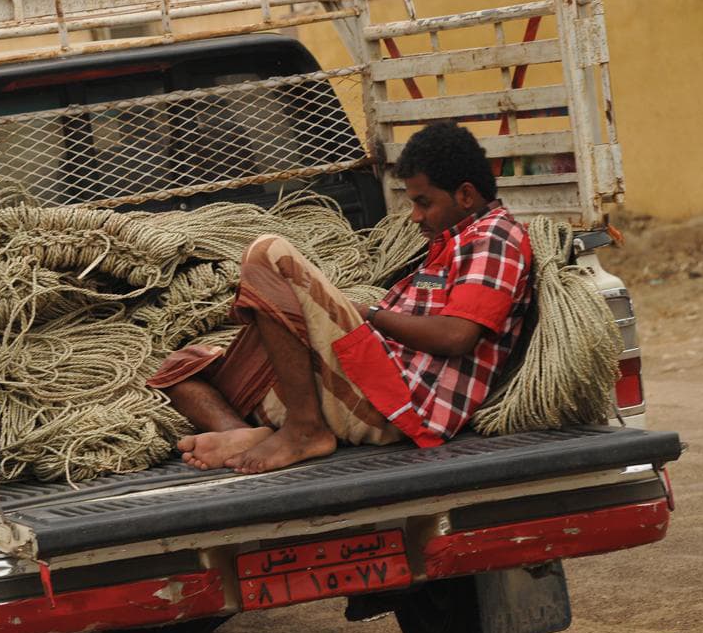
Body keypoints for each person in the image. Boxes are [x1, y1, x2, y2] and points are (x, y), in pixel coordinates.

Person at [147, 121, 533, 474]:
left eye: (424, 202)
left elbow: (456, 336)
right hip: (367, 380)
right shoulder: (451, 243)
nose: (415, 216)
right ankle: (242, 433)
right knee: (182, 370)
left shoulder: (494, 238)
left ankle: (304, 429)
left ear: (465, 195)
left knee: (268, 254)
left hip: (398, 403)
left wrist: (368, 314)